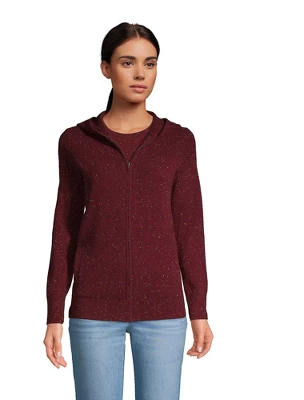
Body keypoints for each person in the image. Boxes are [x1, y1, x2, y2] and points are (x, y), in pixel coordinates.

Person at [43, 22, 214, 400]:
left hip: (164, 309)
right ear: (106, 68)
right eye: (127, 62)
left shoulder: (178, 141)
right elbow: (64, 229)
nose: (140, 73)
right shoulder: (76, 141)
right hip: (93, 310)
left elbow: (190, 230)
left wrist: (198, 309)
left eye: (149, 63)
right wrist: (55, 311)